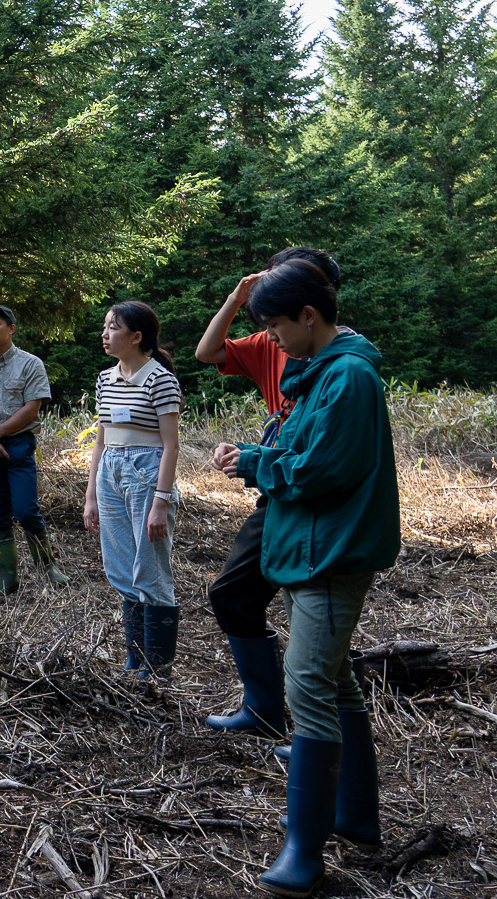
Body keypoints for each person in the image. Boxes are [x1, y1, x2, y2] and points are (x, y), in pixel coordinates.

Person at [211, 260, 399, 898]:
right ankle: (354, 815)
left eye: (276, 327)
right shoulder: (321, 373)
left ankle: (304, 851)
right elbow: (302, 452)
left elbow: (319, 471)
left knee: (308, 684)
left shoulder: (345, 377)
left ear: (309, 317)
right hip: (316, 546)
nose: (274, 341)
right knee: (336, 678)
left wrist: (255, 462)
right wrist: (261, 454)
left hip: (333, 553)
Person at [193, 248, 347, 741]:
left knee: (302, 629)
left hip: (304, 495)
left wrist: (255, 459)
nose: (276, 331)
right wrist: (239, 298)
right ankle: (268, 713)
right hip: (280, 488)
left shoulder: (337, 362)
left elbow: (324, 460)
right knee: (235, 595)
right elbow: (207, 353)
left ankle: (307, 738)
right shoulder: (274, 340)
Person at [83, 301, 183, 677]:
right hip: (110, 471)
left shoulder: (160, 379)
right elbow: (100, 440)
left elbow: (171, 445)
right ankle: (135, 657)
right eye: (105, 327)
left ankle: (157, 667)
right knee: (121, 566)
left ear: (136, 337)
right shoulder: (105, 379)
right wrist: (91, 494)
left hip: (147, 473)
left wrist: (161, 501)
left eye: (113, 328)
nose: (105, 334)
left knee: (150, 568)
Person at [0, 301, 66, 595]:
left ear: (12, 329)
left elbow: (32, 408)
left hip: (18, 445)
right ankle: (8, 579)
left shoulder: (30, 364)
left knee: (26, 510)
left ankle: (49, 568)